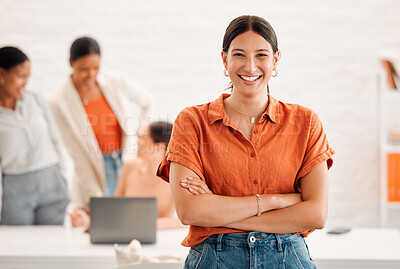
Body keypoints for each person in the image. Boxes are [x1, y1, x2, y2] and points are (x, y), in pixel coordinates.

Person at [157, 15, 335, 268]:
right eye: (239, 55)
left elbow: (315, 215)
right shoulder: (192, 121)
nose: (250, 67)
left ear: (275, 60)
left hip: (287, 258)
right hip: (213, 258)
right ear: (224, 59)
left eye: (261, 55)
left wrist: (219, 213)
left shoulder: (305, 122)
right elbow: (190, 212)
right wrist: (274, 201)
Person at [50, 37, 152, 211]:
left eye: (96, 68)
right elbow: (77, 155)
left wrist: (141, 134)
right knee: (104, 220)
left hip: (123, 160)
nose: (91, 75)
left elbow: (146, 101)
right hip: (94, 170)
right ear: (70, 63)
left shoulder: (114, 81)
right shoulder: (59, 102)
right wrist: (94, 197)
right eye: (84, 69)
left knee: (129, 220)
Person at [0, 46, 70, 225]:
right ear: (2, 74)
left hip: (51, 184)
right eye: (20, 76)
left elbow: (55, 139)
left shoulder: (36, 100)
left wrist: (61, 174)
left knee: (54, 242)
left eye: (27, 77)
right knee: (18, 246)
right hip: (15, 191)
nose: (25, 83)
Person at [70, 121, 182, 230]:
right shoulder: (130, 167)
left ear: (159, 148)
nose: (138, 142)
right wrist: (88, 221)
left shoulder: (175, 176)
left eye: (143, 138)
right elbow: (114, 210)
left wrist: (148, 224)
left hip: (162, 239)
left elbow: (187, 221)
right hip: (128, 236)